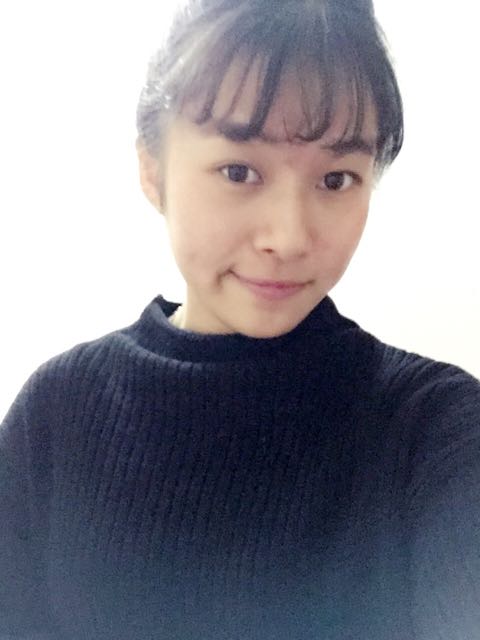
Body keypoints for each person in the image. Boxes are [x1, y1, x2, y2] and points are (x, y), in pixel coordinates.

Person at [1, 0, 479, 638]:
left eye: (337, 179)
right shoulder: (55, 413)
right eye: (239, 171)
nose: (289, 237)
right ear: (153, 170)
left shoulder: (435, 430)